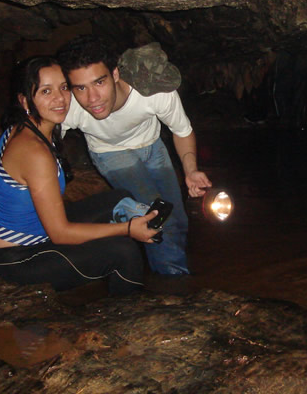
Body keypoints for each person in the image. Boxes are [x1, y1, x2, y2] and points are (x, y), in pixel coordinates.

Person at [0, 56, 160, 295]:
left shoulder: (20, 128)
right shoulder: (35, 153)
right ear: (25, 101)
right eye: (46, 91)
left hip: (40, 233)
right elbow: (60, 233)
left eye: (63, 87)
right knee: (123, 251)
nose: (60, 99)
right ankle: (126, 320)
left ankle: (113, 259)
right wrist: (127, 229)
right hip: (21, 258)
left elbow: (4, 174)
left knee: (118, 199)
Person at [56, 37, 212, 276]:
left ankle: (170, 271)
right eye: (80, 87)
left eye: (99, 82)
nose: (92, 98)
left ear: (115, 74)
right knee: (158, 219)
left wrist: (190, 170)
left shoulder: (153, 91)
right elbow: (32, 148)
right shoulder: (70, 108)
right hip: (110, 153)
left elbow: (182, 131)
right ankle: (173, 286)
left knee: (178, 218)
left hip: (153, 146)